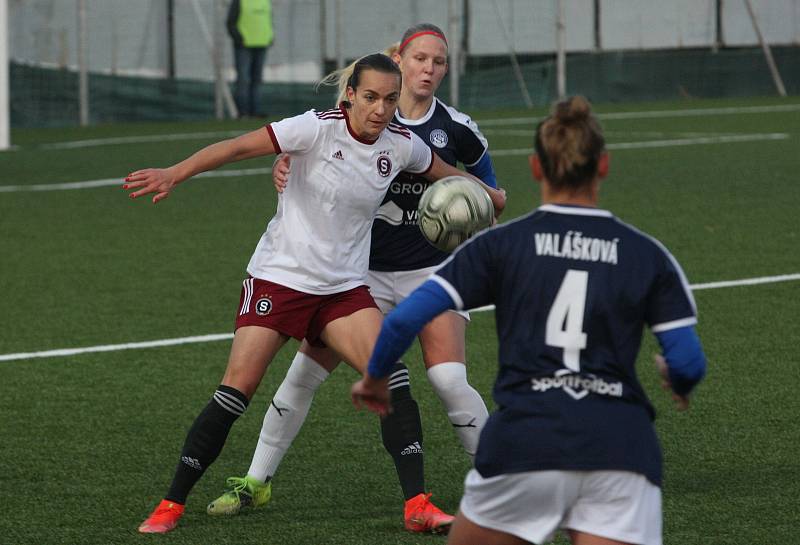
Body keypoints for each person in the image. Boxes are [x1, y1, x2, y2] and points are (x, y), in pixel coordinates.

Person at [123, 53, 506, 534]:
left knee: (391, 379)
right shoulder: (315, 128)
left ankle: (418, 505)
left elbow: (444, 172)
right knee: (235, 391)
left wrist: (488, 197)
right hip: (280, 278)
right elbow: (239, 148)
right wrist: (176, 172)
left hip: (343, 290)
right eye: (369, 97)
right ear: (350, 95)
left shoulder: (402, 144)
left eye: (389, 99)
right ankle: (171, 503)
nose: (380, 109)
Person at [352, 96, 707, 545]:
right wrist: (676, 377)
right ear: (604, 166)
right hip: (620, 447)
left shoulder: (499, 247)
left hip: (525, 440)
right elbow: (690, 362)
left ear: (536, 169)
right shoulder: (646, 254)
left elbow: (403, 321)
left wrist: (375, 378)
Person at [227, 0, 273, 117]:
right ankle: (242, 112)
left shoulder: (265, 2)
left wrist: (270, 37)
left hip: (262, 44)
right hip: (244, 46)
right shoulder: (239, 2)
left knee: (257, 79)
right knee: (243, 79)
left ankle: (255, 111)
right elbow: (230, 23)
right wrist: (239, 39)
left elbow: (269, 21)